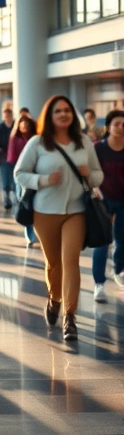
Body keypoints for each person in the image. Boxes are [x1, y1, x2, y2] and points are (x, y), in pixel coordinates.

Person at [15, 95, 103, 341]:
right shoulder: (37, 143)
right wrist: (43, 180)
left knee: (71, 260)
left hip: (76, 211)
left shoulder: (84, 142)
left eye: (67, 110)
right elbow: (19, 173)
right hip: (44, 212)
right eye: (57, 111)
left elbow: (98, 175)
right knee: (54, 263)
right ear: (49, 116)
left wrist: (89, 174)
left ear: (72, 115)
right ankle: (54, 299)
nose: (63, 114)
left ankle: (70, 317)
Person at [92, 109, 124, 303]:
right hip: (102, 200)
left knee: (122, 240)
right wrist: (94, 188)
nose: (121, 127)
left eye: (123, 124)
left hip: (123, 201)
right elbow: (90, 172)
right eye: (117, 124)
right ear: (108, 127)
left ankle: (118, 269)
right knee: (102, 242)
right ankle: (99, 284)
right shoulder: (98, 149)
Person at [6, 115, 40, 247]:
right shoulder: (15, 138)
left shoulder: (35, 139)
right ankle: (30, 235)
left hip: (36, 175)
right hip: (22, 176)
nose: (24, 126)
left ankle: (38, 232)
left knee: (37, 204)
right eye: (22, 124)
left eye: (27, 124)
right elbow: (12, 159)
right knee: (26, 203)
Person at [0, 107, 17, 210]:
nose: (7, 118)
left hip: (15, 157)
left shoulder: (16, 126)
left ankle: (15, 198)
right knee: (5, 179)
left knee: (15, 179)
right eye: (5, 116)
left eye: (8, 116)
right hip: (4, 157)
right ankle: (7, 199)